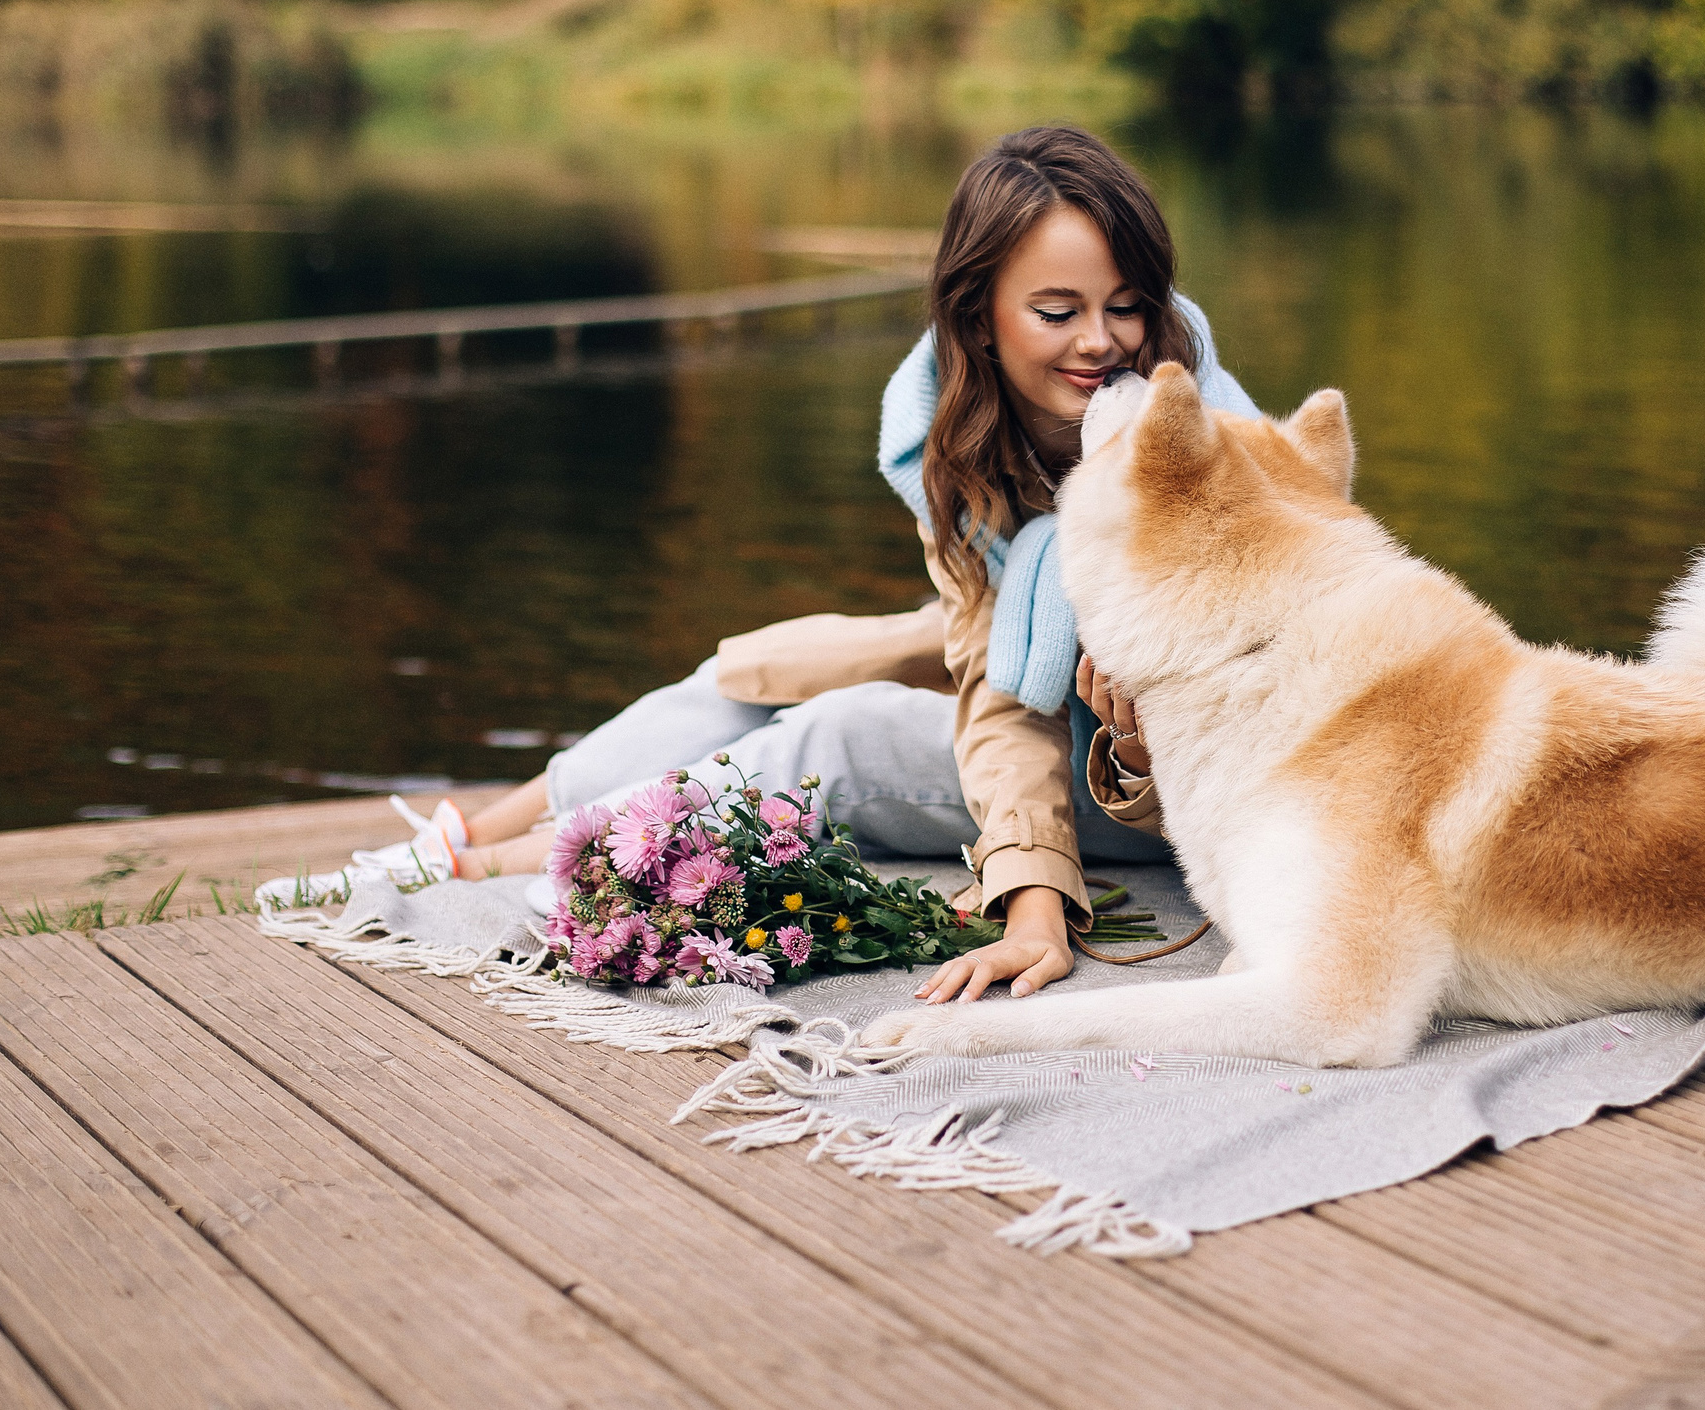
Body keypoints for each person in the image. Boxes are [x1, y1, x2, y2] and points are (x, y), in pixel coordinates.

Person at [285, 127, 1254, 1004]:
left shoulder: (1197, 449)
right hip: (1055, 697)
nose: (1101, 340)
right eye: (1057, 310)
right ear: (978, 316)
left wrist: (1036, 900)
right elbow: (992, 660)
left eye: (1127, 306)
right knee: (774, 671)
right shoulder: (954, 433)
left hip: (1174, 773)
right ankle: (469, 835)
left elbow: (1046, 715)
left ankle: (541, 862)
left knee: (845, 731)